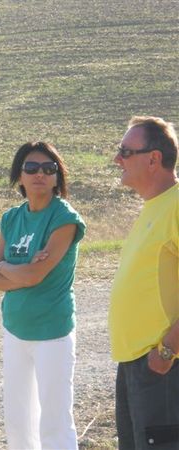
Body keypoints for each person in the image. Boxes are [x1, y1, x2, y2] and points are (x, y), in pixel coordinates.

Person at [0, 142, 86, 449]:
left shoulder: (64, 218)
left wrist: (13, 272)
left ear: (57, 178)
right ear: (20, 176)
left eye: (48, 169)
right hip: (15, 328)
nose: (39, 174)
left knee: (54, 424)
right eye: (31, 168)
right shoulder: (12, 218)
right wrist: (14, 269)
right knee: (18, 422)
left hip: (52, 331)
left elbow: (34, 275)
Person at [108, 116, 179, 450]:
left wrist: (167, 349)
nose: (117, 159)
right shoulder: (154, 208)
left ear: (154, 159)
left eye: (125, 151)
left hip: (163, 365)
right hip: (137, 364)